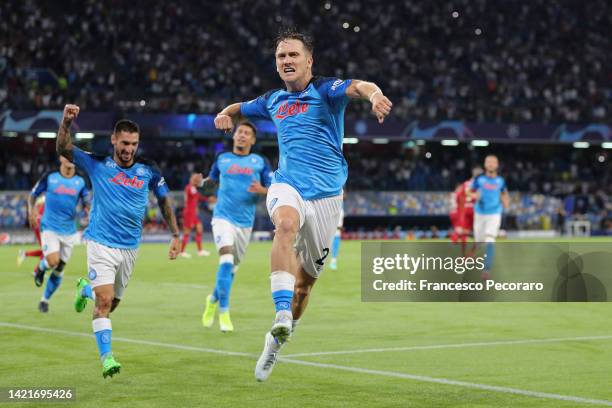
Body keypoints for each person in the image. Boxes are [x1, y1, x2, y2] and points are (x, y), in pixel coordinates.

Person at [213, 29, 392, 381]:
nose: (287, 61)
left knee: (305, 286)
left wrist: (376, 96)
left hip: (326, 197)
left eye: (293, 55)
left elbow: (361, 86)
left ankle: (276, 341)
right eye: (281, 57)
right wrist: (225, 113)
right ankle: (280, 313)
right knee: (285, 226)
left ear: (308, 61)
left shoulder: (326, 90)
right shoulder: (272, 100)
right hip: (287, 186)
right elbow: (239, 107)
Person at [56, 104, 180, 378]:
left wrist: (175, 234)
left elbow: (164, 200)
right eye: (124, 143)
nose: (129, 149)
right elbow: (64, 149)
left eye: (133, 144)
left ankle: (84, 289)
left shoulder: (148, 170)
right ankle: (107, 358)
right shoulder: (97, 163)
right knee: (105, 302)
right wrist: (65, 123)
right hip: (100, 243)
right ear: (114, 140)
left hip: (130, 248)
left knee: (112, 304)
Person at [200, 121, 272, 332]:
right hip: (222, 217)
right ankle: (224, 312)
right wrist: (201, 184)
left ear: (253, 140)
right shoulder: (222, 159)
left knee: (232, 268)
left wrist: (263, 190)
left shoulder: (260, 161)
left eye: (247, 133)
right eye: (239, 132)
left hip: (245, 223)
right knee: (226, 259)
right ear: (234, 136)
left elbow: (273, 187)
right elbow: (210, 184)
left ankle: (212, 299)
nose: (242, 135)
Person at [27, 157, 90, 312]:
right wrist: (32, 210)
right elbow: (33, 194)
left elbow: (87, 202)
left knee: (60, 268)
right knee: (53, 261)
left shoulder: (81, 181)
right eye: (66, 155)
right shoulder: (50, 176)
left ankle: (44, 300)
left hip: (69, 230)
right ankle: (41, 268)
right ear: (61, 158)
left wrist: (89, 213)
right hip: (50, 227)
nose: (69, 159)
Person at [471, 155, 509, 280]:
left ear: (497, 165)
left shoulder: (500, 181)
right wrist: (475, 195)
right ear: (485, 165)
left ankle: (486, 270)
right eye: (488, 162)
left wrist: (505, 202)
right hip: (480, 213)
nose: (491, 164)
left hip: (494, 213)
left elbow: (503, 192)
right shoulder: (479, 179)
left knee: (490, 239)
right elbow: (471, 191)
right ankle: (475, 254)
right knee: (479, 241)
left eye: (493, 162)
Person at [449, 166, 482, 256]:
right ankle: (471, 253)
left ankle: (462, 252)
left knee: (463, 231)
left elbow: (459, 196)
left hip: (465, 209)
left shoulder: (465, 183)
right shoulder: (480, 183)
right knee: (479, 232)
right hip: (475, 209)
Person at [179, 173, 211, 258]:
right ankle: (182, 252)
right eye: (195, 178)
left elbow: (198, 197)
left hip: (193, 213)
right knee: (187, 232)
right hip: (189, 213)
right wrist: (200, 183)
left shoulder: (193, 188)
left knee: (199, 229)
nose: (196, 180)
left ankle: (200, 251)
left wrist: (207, 199)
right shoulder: (190, 187)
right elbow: (197, 196)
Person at [17, 196, 45, 266]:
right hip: (40, 225)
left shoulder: (44, 199)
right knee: (46, 250)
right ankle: (36, 271)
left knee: (47, 250)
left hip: (40, 225)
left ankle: (25, 254)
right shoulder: (45, 199)